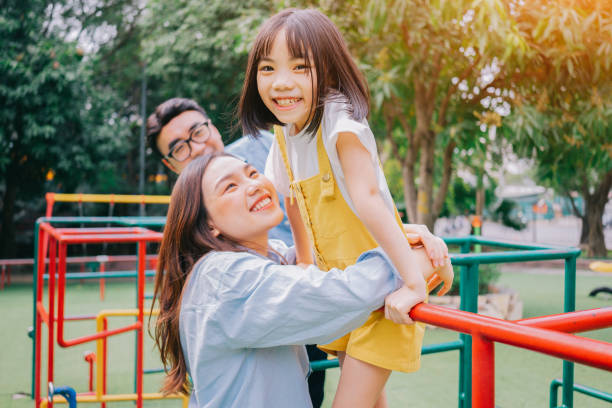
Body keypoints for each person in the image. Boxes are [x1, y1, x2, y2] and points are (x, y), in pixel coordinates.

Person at [239, 9, 454, 408]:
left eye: (300, 66)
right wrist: (305, 268)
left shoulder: (340, 123)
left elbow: (369, 201)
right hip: (343, 291)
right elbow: (293, 203)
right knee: (373, 402)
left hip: (383, 287)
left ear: (330, 70)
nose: (281, 82)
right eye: (268, 68)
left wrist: (412, 283)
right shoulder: (286, 134)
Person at [152, 153, 440, 408]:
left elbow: (324, 257)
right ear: (209, 224)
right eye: (230, 186)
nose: (253, 184)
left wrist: (399, 235)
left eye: (252, 173)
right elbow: (345, 294)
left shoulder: (264, 259)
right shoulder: (228, 279)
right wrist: (410, 258)